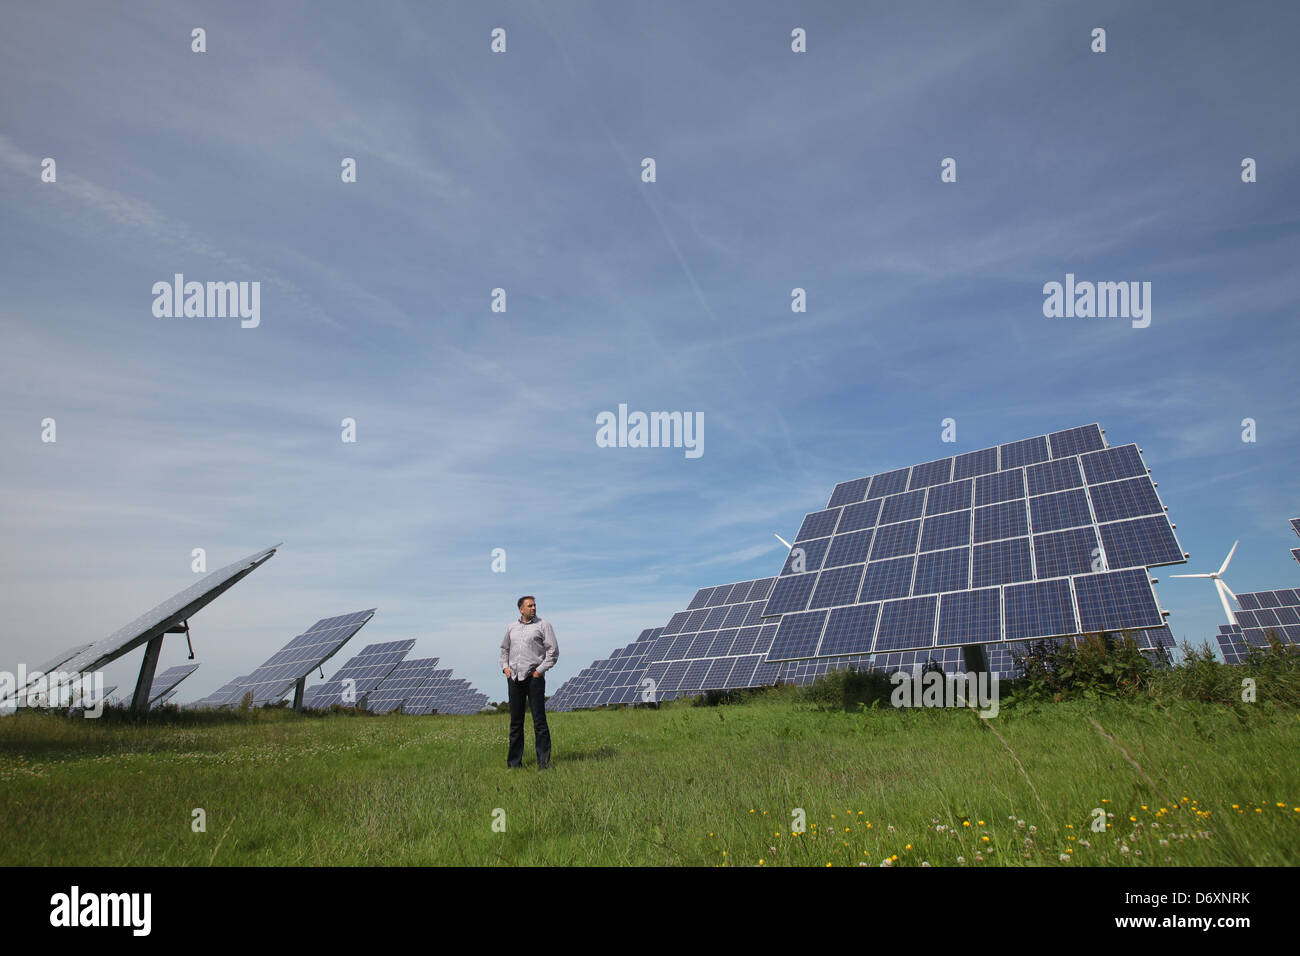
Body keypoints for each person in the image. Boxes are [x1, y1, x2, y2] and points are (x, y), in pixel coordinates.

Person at [499, 595, 559, 769]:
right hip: (515, 678)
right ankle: (514, 764)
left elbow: (553, 652)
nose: (533, 608)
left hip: (534, 677)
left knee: (539, 721)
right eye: (530, 606)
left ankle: (543, 763)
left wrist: (539, 672)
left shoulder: (543, 625)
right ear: (521, 609)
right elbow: (504, 649)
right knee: (516, 722)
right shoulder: (512, 628)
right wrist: (505, 668)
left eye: (534, 605)